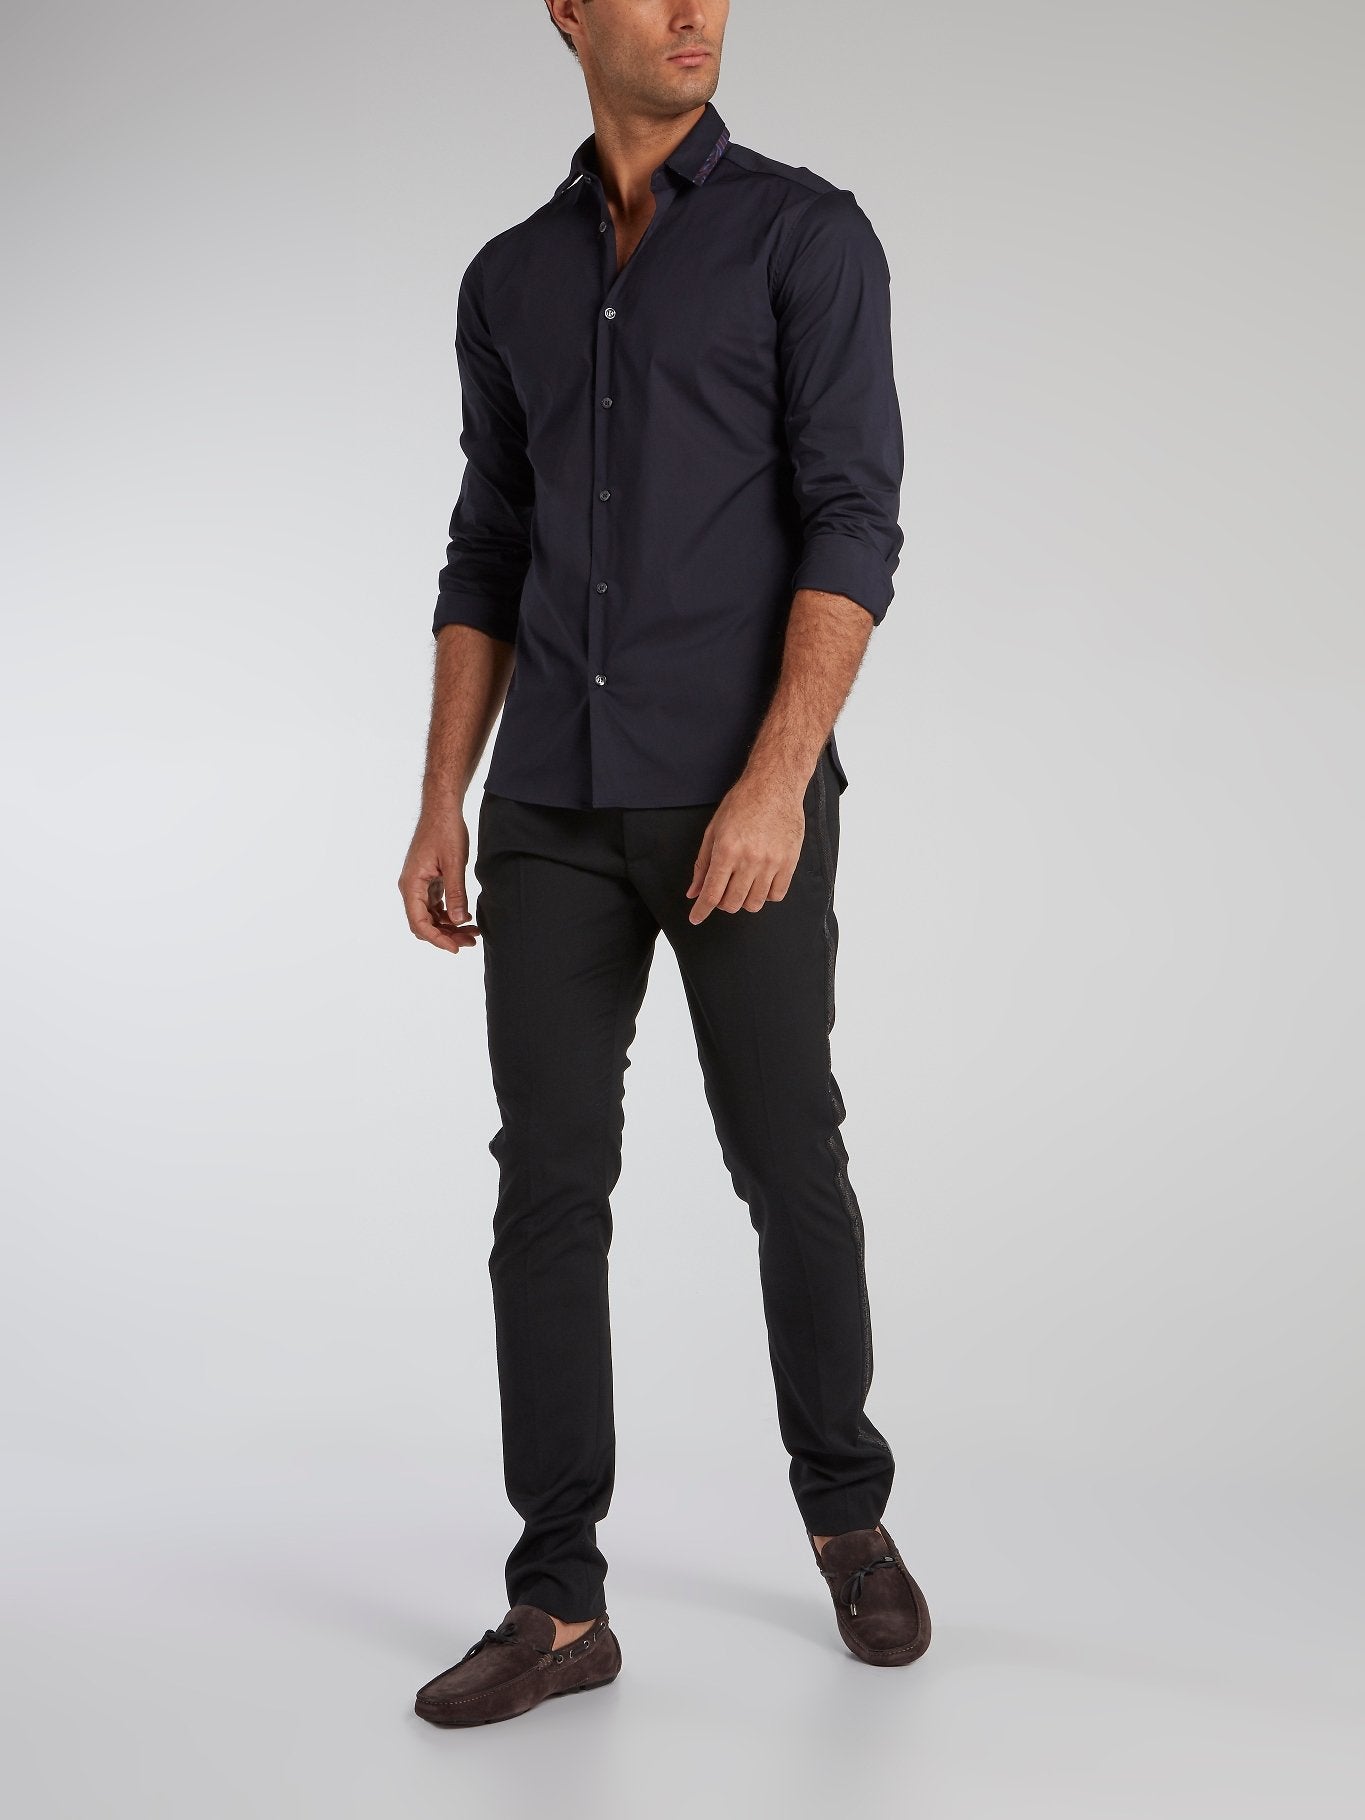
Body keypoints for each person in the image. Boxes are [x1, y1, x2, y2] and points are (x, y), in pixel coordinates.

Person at [399, 0, 931, 1728]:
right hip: (548, 805)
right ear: (566, 9)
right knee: (545, 1189)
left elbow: (853, 517)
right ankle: (557, 1604)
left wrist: (775, 784)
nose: (696, 9)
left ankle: (845, 1512)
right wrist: (439, 798)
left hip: (736, 799)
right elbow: (488, 544)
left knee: (787, 1159)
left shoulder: (804, 236)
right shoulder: (508, 279)